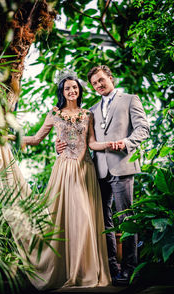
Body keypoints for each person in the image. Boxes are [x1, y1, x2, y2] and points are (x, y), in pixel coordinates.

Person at [0, 72, 113, 291]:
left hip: (85, 170)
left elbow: (92, 143)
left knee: (85, 218)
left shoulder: (88, 114)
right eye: (68, 88)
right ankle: (68, 271)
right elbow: (35, 138)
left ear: (79, 90)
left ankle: (84, 271)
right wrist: (9, 137)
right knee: (65, 220)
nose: (72, 91)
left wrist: (110, 144)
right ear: (62, 91)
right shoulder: (54, 114)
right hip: (63, 171)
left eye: (75, 88)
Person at [56, 65, 150, 285]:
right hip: (98, 171)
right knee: (104, 221)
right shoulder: (92, 109)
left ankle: (130, 269)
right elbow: (82, 140)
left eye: (101, 80)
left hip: (122, 166)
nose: (98, 85)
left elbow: (143, 129)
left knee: (126, 219)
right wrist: (59, 146)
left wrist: (126, 143)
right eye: (94, 83)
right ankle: (111, 268)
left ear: (111, 78)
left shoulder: (130, 99)